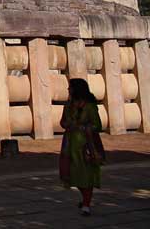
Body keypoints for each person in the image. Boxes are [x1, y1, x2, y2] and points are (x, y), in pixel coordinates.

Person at [60, 78, 104, 217]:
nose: (68, 90)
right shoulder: (68, 106)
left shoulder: (90, 106)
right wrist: (67, 124)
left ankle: (86, 204)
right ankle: (85, 198)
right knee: (71, 173)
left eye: (70, 87)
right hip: (70, 143)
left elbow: (98, 125)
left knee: (87, 174)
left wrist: (84, 127)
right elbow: (62, 122)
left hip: (86, 144)